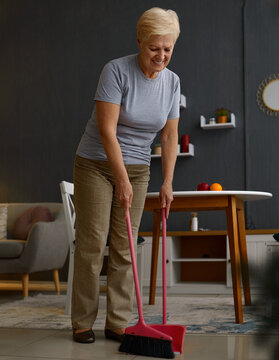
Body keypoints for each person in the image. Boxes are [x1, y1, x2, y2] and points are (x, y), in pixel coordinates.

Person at [71, 7, 181, 344]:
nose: (161, 56)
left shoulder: (172, 82)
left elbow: (169, 137)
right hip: (96, 163)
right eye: (154, 48)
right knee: (93, 243)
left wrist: (167, 182)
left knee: (125, 246)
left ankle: (117, 322)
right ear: (140, 41)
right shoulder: (116, 71)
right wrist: (120, 179)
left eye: (167, 48)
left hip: (139, 169)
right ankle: (82, 322)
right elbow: (107, 131)